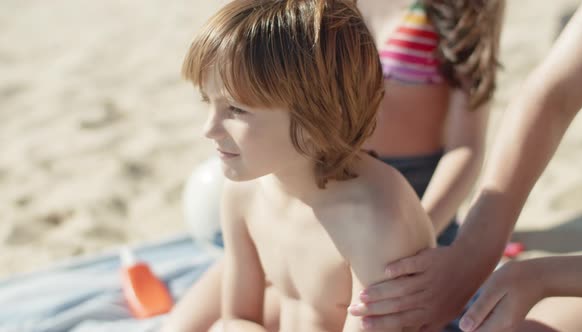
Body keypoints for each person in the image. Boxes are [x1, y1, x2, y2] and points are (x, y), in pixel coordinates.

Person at [162, 0, 505, 331]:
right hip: (290, 175)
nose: (207, 129)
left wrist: (412, 234)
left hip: (406, 198)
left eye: (234, 109)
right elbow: (237, 318)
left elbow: (467, 146)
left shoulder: (462, 8)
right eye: (208, 103)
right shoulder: (243, 194)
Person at [349, 1, 582, 331]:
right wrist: (474, 254)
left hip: (423, 215)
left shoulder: (463, 9)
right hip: (340, 198)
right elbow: (551, 94)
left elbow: (466, 145)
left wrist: (538, 275)